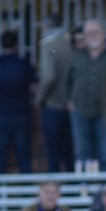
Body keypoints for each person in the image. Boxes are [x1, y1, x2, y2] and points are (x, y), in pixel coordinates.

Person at [67, 20, 106, 169]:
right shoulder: (76, 56)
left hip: (105, 112)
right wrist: (69, 99)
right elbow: (67, 80)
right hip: (80, 110)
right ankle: (84, 189)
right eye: (89, 33)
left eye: (96, 32)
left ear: (103, 34)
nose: (93, 36)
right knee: (82, 153)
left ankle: (105, 189)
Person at [0, 30, 36, 174]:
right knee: (24, 157)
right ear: (17, 44)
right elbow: (34, 89)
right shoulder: (24, 65)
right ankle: (28, 191)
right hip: (21, 115)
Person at [37, 13, 74, 173]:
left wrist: (40, 98)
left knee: (53, 154)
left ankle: (54, 190)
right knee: (69, 152)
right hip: (71, 104)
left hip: (54, 104)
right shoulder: (69, 43)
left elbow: (48, 77)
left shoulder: (49, 45)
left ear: (47, 25)